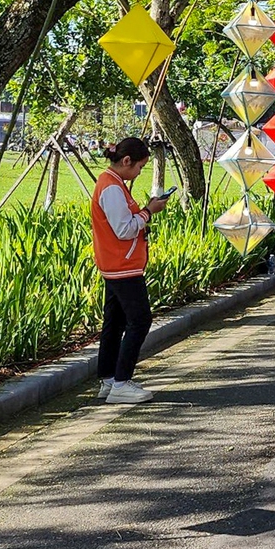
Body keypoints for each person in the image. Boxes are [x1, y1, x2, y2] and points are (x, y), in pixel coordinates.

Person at [91, 137, 169, 405]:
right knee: (139, 321)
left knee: (115, 323)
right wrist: (148, 212)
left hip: (115, 264)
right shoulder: (111, 188)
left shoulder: (113, 184)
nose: (139, 172)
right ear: (126, 161)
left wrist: (145, 212)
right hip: (122, 265)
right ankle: (122, 382)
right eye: (139, 167)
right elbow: (123, 229)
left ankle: (109, 378)